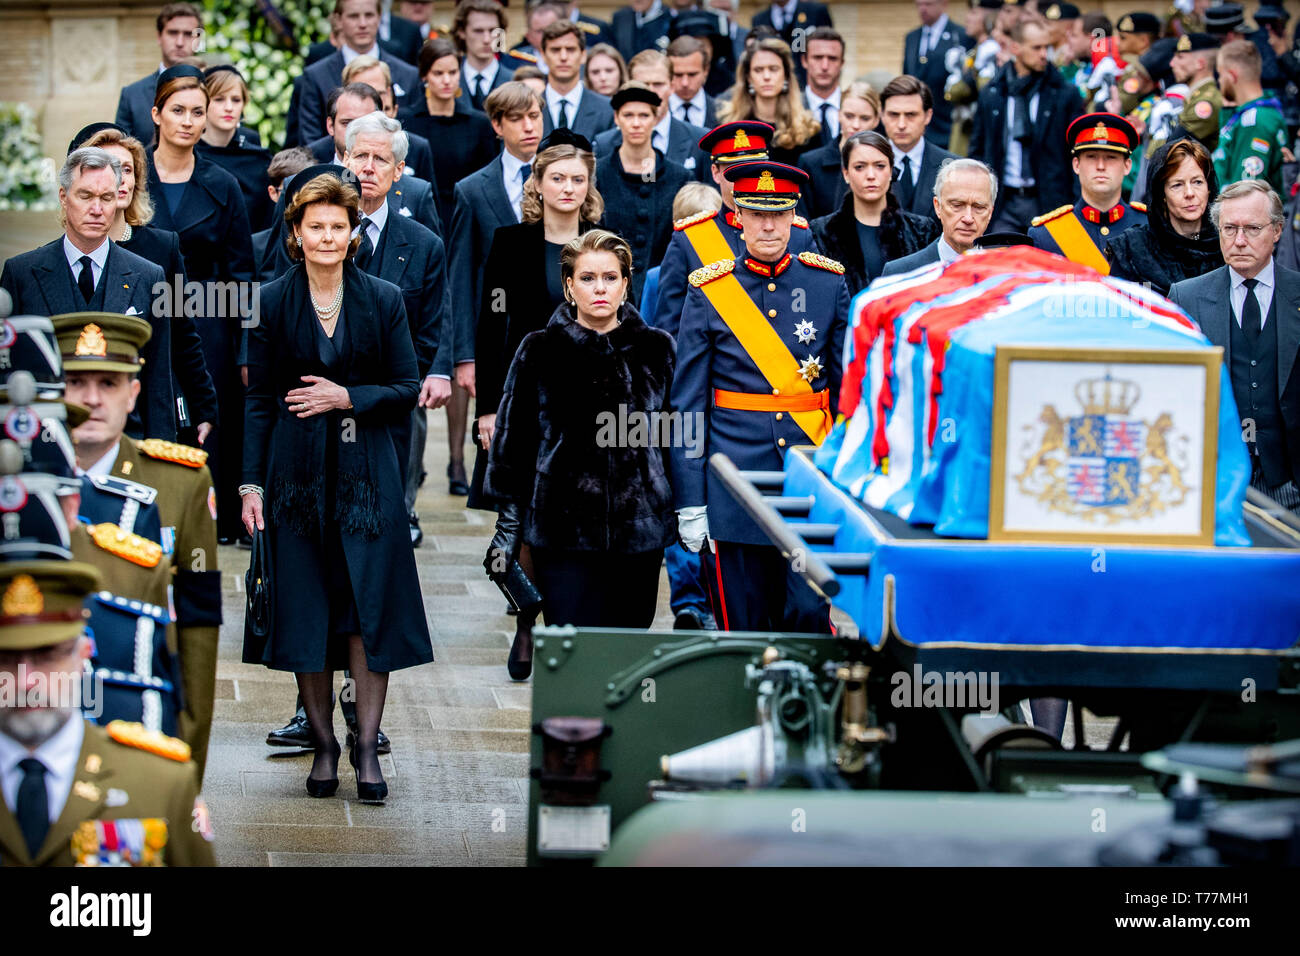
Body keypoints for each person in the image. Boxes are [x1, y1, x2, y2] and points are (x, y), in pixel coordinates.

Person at [241, 171, 433, 803]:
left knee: (365, 612)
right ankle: (323, 746)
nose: (328, 236)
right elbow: (261, 403)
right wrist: (250, 484)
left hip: (367, 478)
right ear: (295, 234)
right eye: (315, 226)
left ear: (354, 234)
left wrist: (348, 396)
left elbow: (408, 388)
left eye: (338, 226)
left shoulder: (382, 298)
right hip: (293, 478)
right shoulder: (270, 300)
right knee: (307, 611)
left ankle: (368, 751)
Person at [483, 228, 676, 669]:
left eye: (610, 277)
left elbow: (674, 438)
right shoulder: (540, 349)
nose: (600, 288)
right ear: (569, 285)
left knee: (626, 649)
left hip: (638, 532)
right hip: (562, 530)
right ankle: (571, 736)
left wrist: (678, 507)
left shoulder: (657, 349)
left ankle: (618, 737)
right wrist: (510, 522)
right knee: (573, 651)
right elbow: (513, 444)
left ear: (627, 282)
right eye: (587, 278)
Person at [671, 160, 848, 633]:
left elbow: (848, 396)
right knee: (743, 623)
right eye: (756, 213)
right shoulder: (710, 290)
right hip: (734, 484)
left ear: (794, 217)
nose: (768, 225)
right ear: (738, 217)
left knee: (809, 618)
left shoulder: (827, 283)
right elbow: (688, 403)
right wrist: (691, 498)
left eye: (780, 213)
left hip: (810, 480)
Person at [52, 313, 223, 780]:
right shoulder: (20, 483)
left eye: (109, 383)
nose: (91, 398)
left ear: (133, 393)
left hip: (136, 712)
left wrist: (186, 756)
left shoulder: (181, 483)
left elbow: (198, 626)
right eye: (75, 381)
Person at [0, 549, 217, 866]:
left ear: (83, 654)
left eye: (49, 656)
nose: (27, 681)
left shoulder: (162, 784)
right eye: (6, 658)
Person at [143, 64, 255, 546]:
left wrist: (247, 345)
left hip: (209, 317)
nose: (188, 121)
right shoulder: (132, 175)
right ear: (157, 114)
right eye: (178, 111)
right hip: (142, 313)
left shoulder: (222, 183)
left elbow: (243, 272)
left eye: (197, 112)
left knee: (210, 424)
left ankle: (215, 521)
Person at [0, 148, 173, 441]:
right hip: (45, 441)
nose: (97, 209)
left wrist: (160, 460)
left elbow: (158, 381)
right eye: (85, 196)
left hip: (125, 445)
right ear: (63, 197)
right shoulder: (21, 273)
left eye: (106, 198)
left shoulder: (149, 276)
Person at [473, 129, 603, 509]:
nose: (568, 188)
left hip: (588, 396)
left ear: (589, 187)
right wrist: (488, 407)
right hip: (526, 395)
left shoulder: (605, 243)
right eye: (558, 178)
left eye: (578, 179)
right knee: (521, 511)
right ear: (538, 184)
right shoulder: (509, 244)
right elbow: (492, 327)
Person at [342, 113, 452, 546]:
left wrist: (392, 387)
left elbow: (428, 329)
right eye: (360, 156)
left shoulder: (423, 244)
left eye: (380, 160)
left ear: (399, 170)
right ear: (344, 158)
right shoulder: (315, 229)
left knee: (383, 526)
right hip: (322, 400)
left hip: (390, 406)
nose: (368, 168)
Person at [74, 124, 218, 448]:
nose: (119, 178)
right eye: (108, 168)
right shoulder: (66, 254)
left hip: (146, 408)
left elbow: (182, 332)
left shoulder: (162, 247)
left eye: (127, 169)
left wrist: (203, 403)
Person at [1168, 180, 1300, 512]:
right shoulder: (1186, 297)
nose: (1239, 240)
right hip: (1213, 484)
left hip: (1290, 484)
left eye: (1252, 229)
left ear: (1277, 231)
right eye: (1229, 229)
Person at [447, 82, 544, 496]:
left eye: (535, 116)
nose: (529, 127)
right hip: (499, 336)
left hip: (550, 329)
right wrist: (465, 356)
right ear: (497, 126)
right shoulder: (472, 190)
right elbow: (461, 276)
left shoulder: (564, 179)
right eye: (518, 119)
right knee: (502, 455)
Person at [652, 120, 815, 337]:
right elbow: (670, 327)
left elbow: (815, 309)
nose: (745, 177)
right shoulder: (688, 239)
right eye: (733, 170)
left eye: (753, 166)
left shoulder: (798, 234)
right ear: (715, 172)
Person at [970, 14, 1085, 232]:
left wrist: (1075, 205)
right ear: (1015, 48)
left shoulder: (1063, 94)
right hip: (1003, 202)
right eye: (1037, 48)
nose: (1044, 54)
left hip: (1050, 201)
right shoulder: (993, 93)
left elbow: (1076, 153)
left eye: (1047, 47)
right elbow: (978, 149)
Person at [810, 130, 941, 294]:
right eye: (860, 167)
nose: (871, 175)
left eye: (880, 166)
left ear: (891, 170)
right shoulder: (820, 232)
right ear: (846, 174)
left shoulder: (922, 230)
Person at [597, 84, 693, 301]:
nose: (636, 123)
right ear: (616, 118)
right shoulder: (597, 175)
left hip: (664, 292)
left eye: (644, 115)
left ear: (656, 119)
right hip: (608, 295)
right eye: (628, 115)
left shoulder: (680, 178)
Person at [293, 0, 423, 147]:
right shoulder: (315, 76)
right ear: (338, 20)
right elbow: (311, 142)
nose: (362, 23)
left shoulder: (409, 75)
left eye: (369, 15)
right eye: (353, 16)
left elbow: (415, 137)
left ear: (379, 17)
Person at [1029, 113, 1148, 271]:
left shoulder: (1150, 227)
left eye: (1111, 157)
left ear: (1127, 166)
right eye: (1091, 157)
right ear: (1076, 165)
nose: (1100, 166)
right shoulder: (1045, 236)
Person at [1107, 137, 1223, 295]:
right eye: (1177, 185)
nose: (1189, 193)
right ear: (1162, 194)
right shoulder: (1134, 250)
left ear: (1209, 188)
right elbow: (1121, 314)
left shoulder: (1226, 244)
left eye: (1197, 182)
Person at [408, 37, 500, 232]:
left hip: (466, 218)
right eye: (438, 73)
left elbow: (487, 178)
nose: (447, 80)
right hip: (419, 218)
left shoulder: (479, 124)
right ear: (424, 76)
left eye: (453, 72)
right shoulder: (407, 122)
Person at [593, 50, 710, 174]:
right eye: (643, 85)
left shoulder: (700, 140)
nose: (651, 92)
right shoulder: (605, 144)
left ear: (671, 87)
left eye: (658, 84)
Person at [882, 157, 997, 274]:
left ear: (990, 212)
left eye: (979, 207)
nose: (968, 218)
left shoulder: (1007, 273)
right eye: (957, 205)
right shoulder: (900, 272)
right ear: (938, 207)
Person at [196, 65, 275, 234]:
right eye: (219, 99)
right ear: (203, 102)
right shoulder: (189, 156)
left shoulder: (259, 161)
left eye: (236, 100)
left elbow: (267, 224)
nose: (229, 107)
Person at [717, 37, 821, 164]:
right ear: (748, 77)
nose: (766, 77)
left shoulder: (808, 128)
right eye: (758, 70)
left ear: (786, 75)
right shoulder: (728, 125)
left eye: (773, 69)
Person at [114, 2, 205, 144]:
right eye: (173, 33)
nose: (180, 42)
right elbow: (121, 153)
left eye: (188, 34)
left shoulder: (214, 88)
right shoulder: (132, 95)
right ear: (159, 36)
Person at [339, 55, 437, 181]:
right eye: (362, 94)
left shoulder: (416, 148)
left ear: (389, 92)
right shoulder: (327, 149)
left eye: (378, 93)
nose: (372, 101)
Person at [1214, 39, 1288, 196]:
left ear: (1232, 75)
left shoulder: (1255, 121)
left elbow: (1245, 191)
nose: (1219, 81)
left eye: (1220, 75)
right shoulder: (1255, 112)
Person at [797, 81, 880, 219]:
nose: (855, 125)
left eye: (865, 118)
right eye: (849, 116)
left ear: (876, 120)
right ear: (839, 114)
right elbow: (803, 220)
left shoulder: (886, 163)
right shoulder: (810, 163)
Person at [881, 73, 957, 222]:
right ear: (882, 115)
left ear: (928, 116)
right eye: (894, 115)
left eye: (911, 115)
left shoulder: (953, 168)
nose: (901, 124)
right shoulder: (864, 165)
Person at [903, 0, 969, 148]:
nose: (923, 9)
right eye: (919, 5)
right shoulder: (912, 37)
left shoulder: (960, 35)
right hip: (918, 127)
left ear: (944, 4)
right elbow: (907, 76)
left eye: (928, 4)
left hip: (948, 124)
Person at [540, 19, 617, 139]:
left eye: (570, 49)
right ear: (543, 56)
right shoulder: (528, 108)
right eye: (555, 50)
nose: (563, 57)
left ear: (583, 55)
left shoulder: (607, 110)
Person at [254, 147, 317, 273]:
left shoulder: (323, 241)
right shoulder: (253, 246)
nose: (297, 201)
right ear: (273, 193)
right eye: (287, 193)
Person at [751, 0, 833, 86]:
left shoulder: (816, 11)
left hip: (809, 85)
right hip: (775, 87)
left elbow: (830, 50)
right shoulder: (759, 20)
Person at [1165, 32, 1223, 154]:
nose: (1172, 63)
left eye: (1180, 57)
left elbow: (1173, 146)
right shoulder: (1196, 96)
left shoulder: (1206, 102)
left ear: (1200, 63)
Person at [456, 0, 517, 110]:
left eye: (493, 31)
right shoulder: (449, 80)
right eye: (478, 31)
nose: (487, 39)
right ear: (462, 32)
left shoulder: (514, 81)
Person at [802, 27, 845, 148]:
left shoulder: (854, 107)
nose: (825, 66)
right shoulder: (789, 107)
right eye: (817, 57)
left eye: (832, 58)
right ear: (804, 61)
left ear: (842, 63)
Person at [668, 34, 720, 129]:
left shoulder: (723, 113)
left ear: (706, 71)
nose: (685, 83)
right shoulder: (655, 113)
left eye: (692, 74)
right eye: (678, 75)